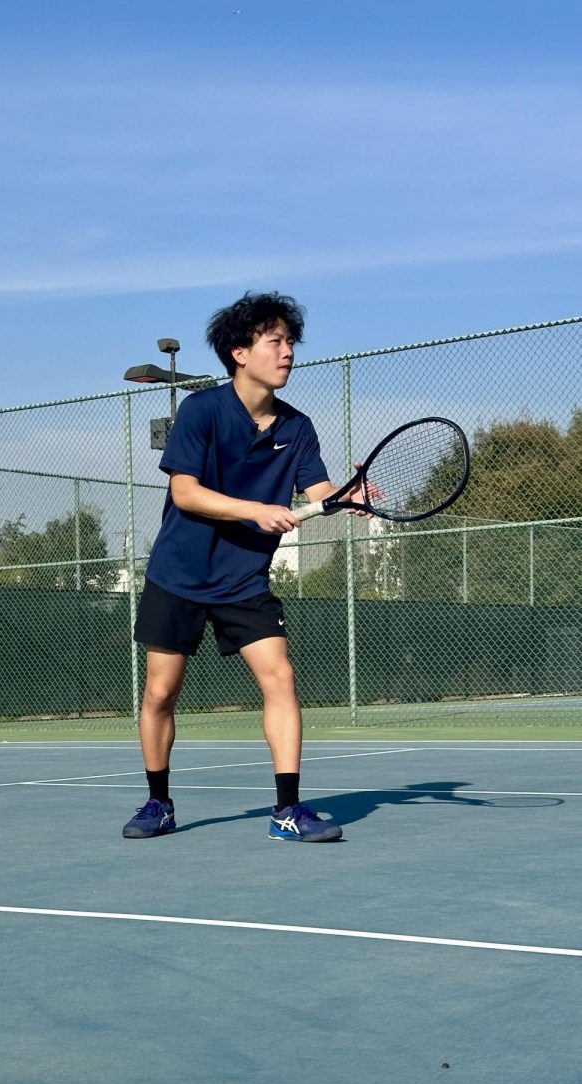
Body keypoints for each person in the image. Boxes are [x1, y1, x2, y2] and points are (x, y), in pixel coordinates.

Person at [123, 291, 363, 843]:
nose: (288, 352)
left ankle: (287, 811)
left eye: (290, 342)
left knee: (280, 678)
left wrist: (351, 496)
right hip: (178, 573)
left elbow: (320, 491)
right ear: (239, 352)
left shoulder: (298, 427)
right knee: (160, 693)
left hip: (244, 580)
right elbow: (185, 493)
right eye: (275, 342)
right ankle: (158, 802)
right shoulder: (203, 411)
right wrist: (258, 510)